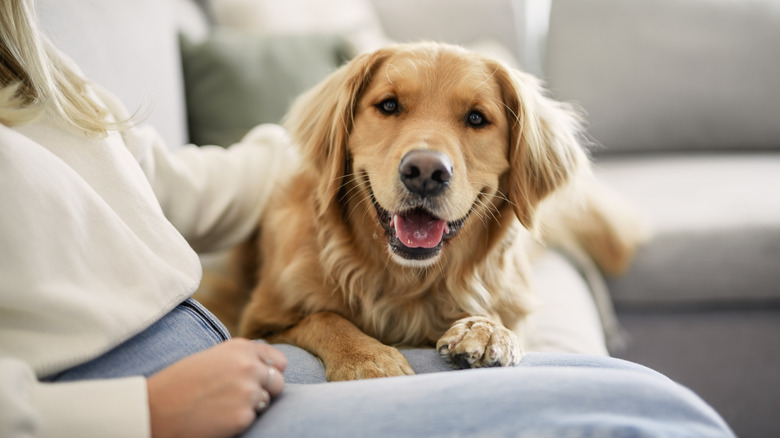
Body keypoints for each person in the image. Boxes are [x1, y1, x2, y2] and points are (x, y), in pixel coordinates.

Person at [0, 1, 735, 437]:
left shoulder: (38, 80)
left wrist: (339, 152)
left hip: (207, 355)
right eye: (390, 107)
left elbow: (174, 181)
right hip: (166, 398)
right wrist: (142, 410)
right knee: (622, 420)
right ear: (351, 129)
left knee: (641, 396)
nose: (425, 161)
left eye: (474, 120)